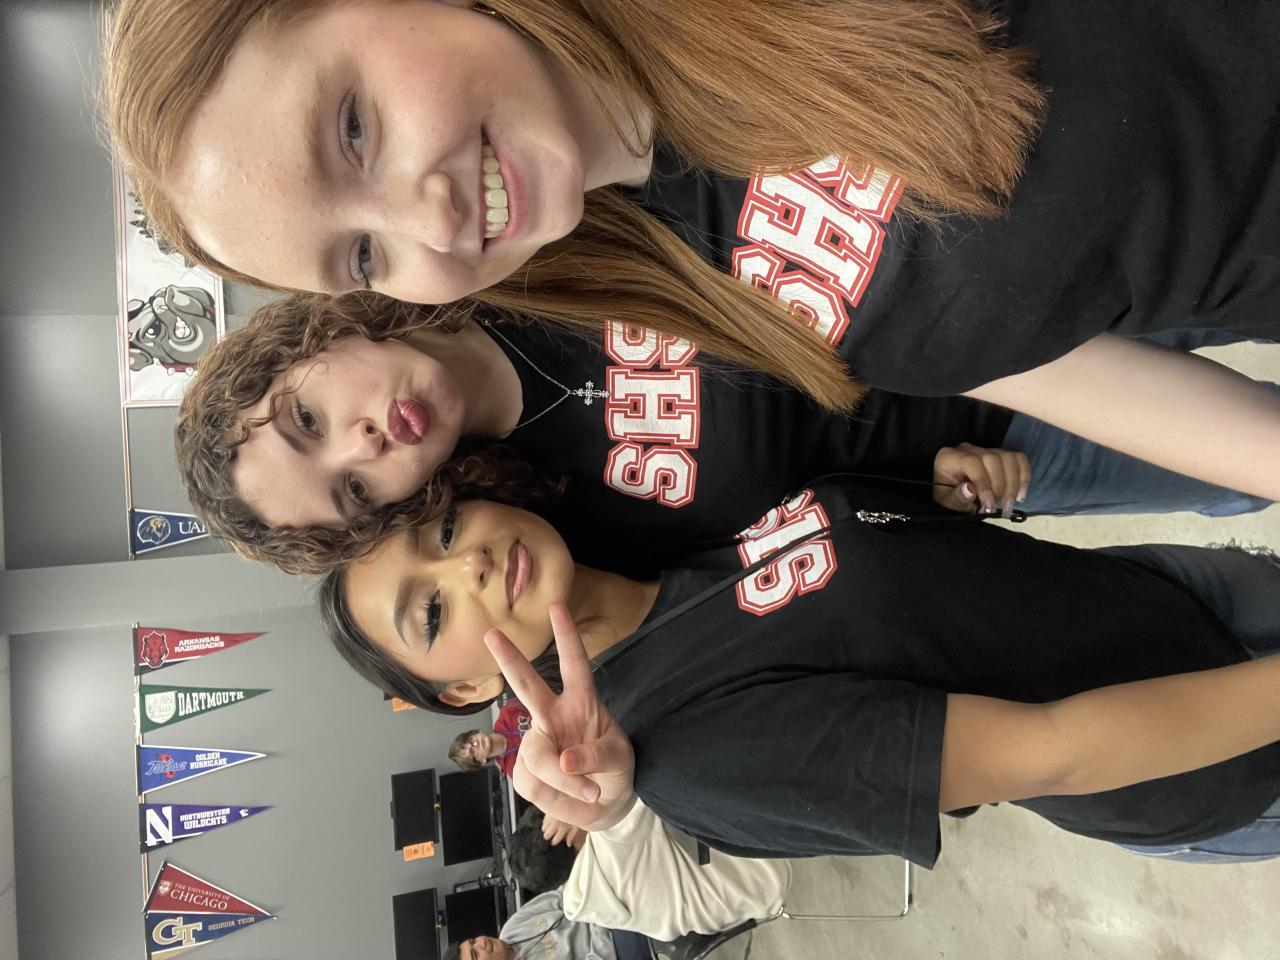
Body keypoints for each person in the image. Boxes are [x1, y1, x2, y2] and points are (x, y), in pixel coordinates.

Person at [107, 0, 1280, 505]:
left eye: (354, 129)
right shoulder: (676, 283)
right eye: (363, 254)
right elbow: (1052, 369)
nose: (425, 220)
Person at [318, 487, 1280, 865]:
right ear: (462, 694)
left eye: (445, 530)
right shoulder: (694, 756)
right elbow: (1058, 753)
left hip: (1164, 595)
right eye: (431, 612)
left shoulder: (657, 537)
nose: (469, 564)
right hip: (1219, 751)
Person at [176, 292, 1269, 574]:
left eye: (309, 418)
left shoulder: (523, 254)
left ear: (307, 341)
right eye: (353, 491)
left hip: (1009, 294)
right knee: (1246, 472)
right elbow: (795, 542)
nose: (365, 443)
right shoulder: (547, 525)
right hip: (1015, 438)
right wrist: (927, 495)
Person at [509, 803, 790, 940]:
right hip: (758, 872)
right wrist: (572, 807)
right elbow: (631, 771)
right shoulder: (611, 840)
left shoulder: (578, 900)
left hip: (733, 911)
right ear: (565, 834)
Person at [449, 698, 532, 777]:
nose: (476, 743)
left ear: (476, 732)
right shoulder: (514, 770)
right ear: (481, 762)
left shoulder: (507, 712)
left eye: (471, 740)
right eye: (472, 751)